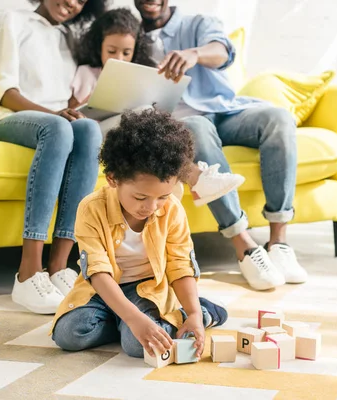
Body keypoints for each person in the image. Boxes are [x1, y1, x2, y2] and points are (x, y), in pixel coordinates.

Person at [133, 0, 309, 291]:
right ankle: (245, 245)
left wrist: (195, 54)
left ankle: (279, 241)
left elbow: (223, 51)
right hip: (187, 122)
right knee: (196, 128)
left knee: (279, 118)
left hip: (226, 111)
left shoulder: (197, 24)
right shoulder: (130, 35)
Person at [51, 109, 228, 358]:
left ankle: (200, 310)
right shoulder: (91, 208)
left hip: (147, 288)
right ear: (113, 179)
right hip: (102, 290)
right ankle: (127, 321)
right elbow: (98, 273)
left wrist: (195, 314)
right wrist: (134, 320)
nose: (151, 206)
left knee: (138, 348)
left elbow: (180, 266)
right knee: (68, 335)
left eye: (162, 197)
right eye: (140, 197)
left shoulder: (172, 211)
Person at [0, 0, 108, 314]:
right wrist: (55, 115)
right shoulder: (13, 20)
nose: (72, 4)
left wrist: (79, 108)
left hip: (56, 121)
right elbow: (2, 90)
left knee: (90, 129)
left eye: (82, 1)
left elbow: (63, 97)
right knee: (59, 128)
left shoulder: (66, 37)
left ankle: (60, 267)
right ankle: (28, 273)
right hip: (9, 118)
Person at [70, 7, 245, 207]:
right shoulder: (86, 73)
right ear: (98, 46)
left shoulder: (137, 76)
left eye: (126, 52)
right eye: (111, 51)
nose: (119, 57)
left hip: (126, 137)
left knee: (149, 118)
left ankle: (184, 181)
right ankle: (197, 178)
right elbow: (74, 109)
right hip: (95, 133)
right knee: (143, 115)